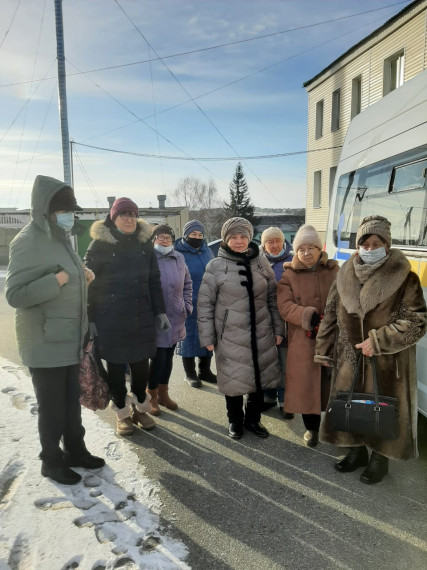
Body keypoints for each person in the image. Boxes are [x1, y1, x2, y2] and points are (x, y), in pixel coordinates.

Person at [5, 175, 105, 485]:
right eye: (64, 211)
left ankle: (75, 450)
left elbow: (66, 278)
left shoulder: (61, 238)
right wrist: (57, 281)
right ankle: (51, 461)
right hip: (44, 342)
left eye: (72, 211)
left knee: (70, 403)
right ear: (45, 210)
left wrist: (81, 277)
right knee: (52, 409)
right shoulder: (26, 242)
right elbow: (15, 294)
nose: (69, 217)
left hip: (69, 339)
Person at [315, 215, 426, 484]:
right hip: (349, 357)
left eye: (376, 243)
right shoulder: (345, 273)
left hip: (389, 361)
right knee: (352, 407)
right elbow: (330, 314)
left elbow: (417, 321)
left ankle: (379, 459)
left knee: (382, 409)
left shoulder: (405, 278)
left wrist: (378, 341)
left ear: (387, 246)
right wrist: (324, 348)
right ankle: (356, 453)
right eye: (365, 243)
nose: (369, 248)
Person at [84, 197, 170, 436]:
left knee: (141, 368)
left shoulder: (145, 245)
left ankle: (140, 408)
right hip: (110, 318)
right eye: (124, 214)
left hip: (140, 316)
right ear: (114, 217)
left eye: (133, 214)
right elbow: (89, 285)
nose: (129, 219)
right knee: (115, 369)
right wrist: (90, 318)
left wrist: (160, 311)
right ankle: (122, 413)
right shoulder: (98, 246)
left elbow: (154, 281)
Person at [198, 217, 284, 439]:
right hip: (230, 334)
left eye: (243, 236)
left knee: (259, 378)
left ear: (250, 238)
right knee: (233, 380)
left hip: (261, 331)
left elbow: (273, 297)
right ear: (225, 240)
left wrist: (278, 329)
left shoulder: (261, 262)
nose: (238, 241)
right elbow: (205, 303)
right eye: (233, 237)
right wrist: (207, 336)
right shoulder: (215, 266)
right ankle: (235, 421)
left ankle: (253, 420)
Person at [277, 224, 339, 447]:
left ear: (319, 248)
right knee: (306, 385)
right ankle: (312, 429)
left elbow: (346, 299)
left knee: (333, 384)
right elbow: (284, 306)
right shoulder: (289, 275)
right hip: (304, 339)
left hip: (333, 336)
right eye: (301, 248)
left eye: (311, 247)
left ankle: (335, 427)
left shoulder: (335, 270)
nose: (306, 253)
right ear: (296, 251)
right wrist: (307, 315)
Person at [147, 224, 193, 415]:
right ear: (153, 240)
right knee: (158, 358)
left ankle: (164, 394)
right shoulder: (148, 258)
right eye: (161, 237)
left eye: (168, 238)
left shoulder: (179, 258)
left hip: (176, 316)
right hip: (156, 317)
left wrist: (187, 306)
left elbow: (188, 284)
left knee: (168, 359)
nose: (165, 241)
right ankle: (152, 397)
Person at [175, 220, 215, 387]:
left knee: (207, 335)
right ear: (186, 236)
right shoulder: (178, 253)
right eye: (193, 234)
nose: (197, 237)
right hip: (188, 303)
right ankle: (190, 373)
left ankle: (204, 371)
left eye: (200, 234)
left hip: (208, 302)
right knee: (188, 338)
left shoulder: (207, 251)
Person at [260, 226, 293, 418]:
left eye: (277, 241)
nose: (274, 245)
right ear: (263, 245)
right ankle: (269, 397)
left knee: (283, 362)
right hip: (263, 321)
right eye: (269, 242)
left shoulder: (292, 261)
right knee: (267, 362)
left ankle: (285, 401)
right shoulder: (257, 262)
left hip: (285, 321)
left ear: (283, 242)